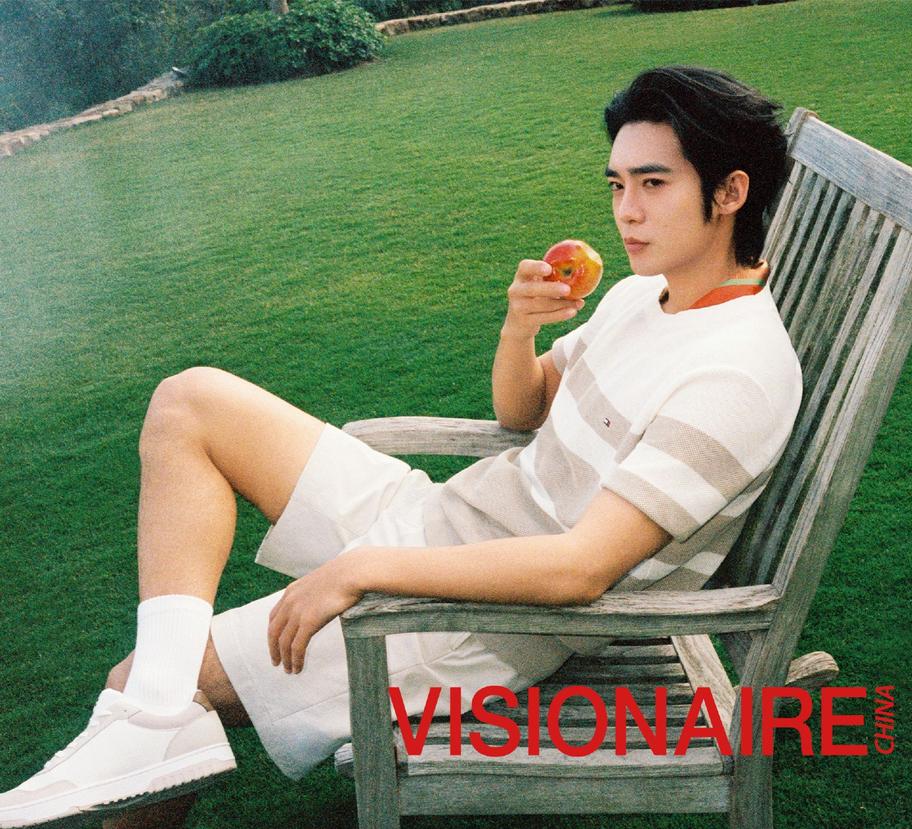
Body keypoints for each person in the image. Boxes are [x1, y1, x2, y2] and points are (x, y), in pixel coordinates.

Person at [0, 64, 803, 828]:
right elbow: (523, 410)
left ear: (730, 192)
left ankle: (153, 716)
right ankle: (154, 721)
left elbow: (579, 569)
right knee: (190, 402)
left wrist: (359, 570)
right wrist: (520, 329)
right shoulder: (643, 294)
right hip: (443, 518)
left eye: (653, 184)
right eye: (617, 184)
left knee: (149, 676)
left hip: (480, 618)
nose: (626, 211)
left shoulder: (733, 375)